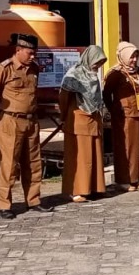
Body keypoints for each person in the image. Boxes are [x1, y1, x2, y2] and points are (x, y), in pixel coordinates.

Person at [0, 33, 51, 218]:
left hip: (31, 121)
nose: (33, 57)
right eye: (29, 53)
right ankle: (4, 205)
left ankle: (34, 200)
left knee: (33, 162)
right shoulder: (4, 69)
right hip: (10, 120)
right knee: (8, 164)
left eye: (34, 53)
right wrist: (0, 111)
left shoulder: (34, 69)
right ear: (18, 50)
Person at [58, 45, 108, 203]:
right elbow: (63, 98)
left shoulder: (93, 76)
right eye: (96, 61)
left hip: (94, 120)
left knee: (94, 155)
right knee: (80, 156)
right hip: (78, 121)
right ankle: (78, 190)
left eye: (100, 63)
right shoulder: (74, 75)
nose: (97, 65)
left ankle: (94, 187)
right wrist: (64, 115)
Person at [104, 42, 139, 192]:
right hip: (123, 116)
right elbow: (106, 94)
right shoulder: (116, 73)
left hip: (137, 114)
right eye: (131, 57)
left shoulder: (137, 71)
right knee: (124, 148)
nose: (134, 60)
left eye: (136, 56)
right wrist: (115, 110)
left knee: (135, 148)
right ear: (123, 57)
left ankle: (134, 178)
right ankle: (123, 179)